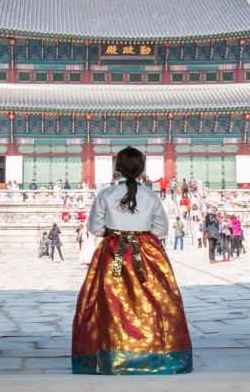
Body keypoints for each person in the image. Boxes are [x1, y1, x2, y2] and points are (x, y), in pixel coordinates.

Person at [71, 147, 192, 375]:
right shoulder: (151, 195)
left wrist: (116, 229)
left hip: (113, 251)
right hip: (146, 252)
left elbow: (95, 228)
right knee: (156, 300)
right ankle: (156, 353)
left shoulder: (105, 195)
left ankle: (113, 354)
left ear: (117, 168)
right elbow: (161, 229)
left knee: (109, 302)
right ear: (141, 168)